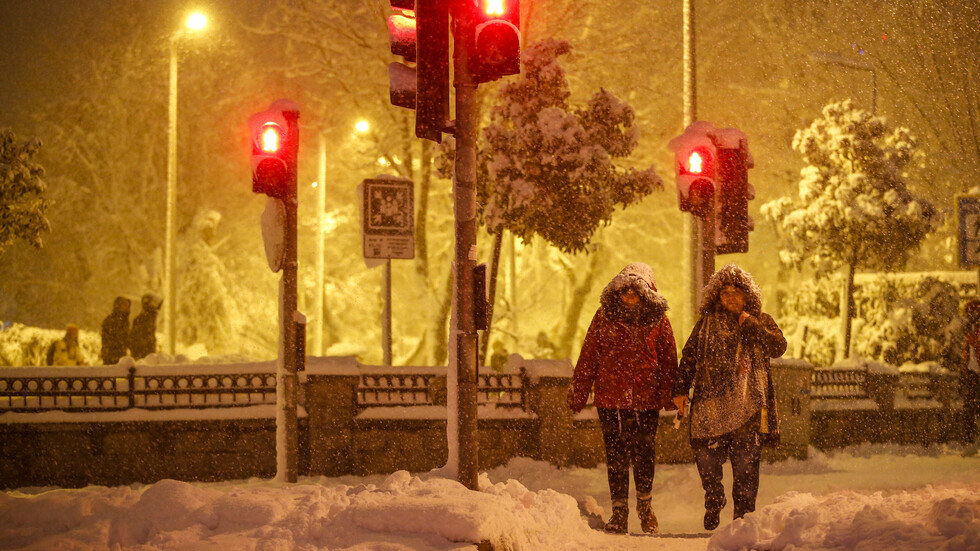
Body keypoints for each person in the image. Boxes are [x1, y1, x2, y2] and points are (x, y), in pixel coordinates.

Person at [672, 264, 786, 531]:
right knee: (706, 459)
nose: (732, 297)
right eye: (725, 293)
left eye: (737, 292)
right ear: (717, 297)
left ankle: (743, 522)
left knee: (746, 467)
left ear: (748, 295)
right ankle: (714, 497)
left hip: (748, 406)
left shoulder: (761, 320)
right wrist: (680, 390)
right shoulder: (707, 324)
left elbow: (778, 347)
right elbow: (688, 358)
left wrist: (753, 326)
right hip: (709, 407)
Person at [567, 263, 678, 534]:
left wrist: (671, 395)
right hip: (610, 399)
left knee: (644, 455)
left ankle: (644, 505)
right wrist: (578, 393)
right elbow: (589, 355)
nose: (630, 297)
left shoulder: (658, 320)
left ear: (646, 294)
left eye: (635, 293)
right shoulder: (604, 316)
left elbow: (668, 358)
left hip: (645, 399)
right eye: (625, 292)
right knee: (616, 457)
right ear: (617, 293)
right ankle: (619, 511)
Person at [960, 299, 980, 451]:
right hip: (973, 374)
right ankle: (970, 439)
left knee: (972, 406)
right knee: (970, 406)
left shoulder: (974, 332)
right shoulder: (970, 330)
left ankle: (971, 439)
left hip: (975, 373)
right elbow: (967, 352)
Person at [130, 293, 163, 360]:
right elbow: (137, 340)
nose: (156, 307)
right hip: (143, 356)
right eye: (154, 303)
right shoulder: (142, 319)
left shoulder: (149, 318)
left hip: (148, 354)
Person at [100, 296, 131, 365]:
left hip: (121, 354)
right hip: (111, 355)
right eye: (124, 304)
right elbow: (106, 338)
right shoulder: (111, 320)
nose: (126, 307)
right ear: (118, 305)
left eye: (127, 305)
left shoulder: (125, 321)